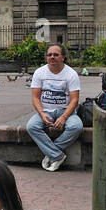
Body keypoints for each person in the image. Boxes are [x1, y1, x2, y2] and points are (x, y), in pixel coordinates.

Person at [26, 44, 82, 172]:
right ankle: (57, 155)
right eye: (49, 55)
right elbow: (35, 98)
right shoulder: (39, 72)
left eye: (56, 55)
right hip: (45, 111)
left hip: (66, 111)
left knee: (76, 127)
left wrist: (64, 117)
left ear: (63, 57)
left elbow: (74, 99)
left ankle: (51, 153)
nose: (52, 57)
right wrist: (41, 113)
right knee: (32, 126)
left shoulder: (71, 74)